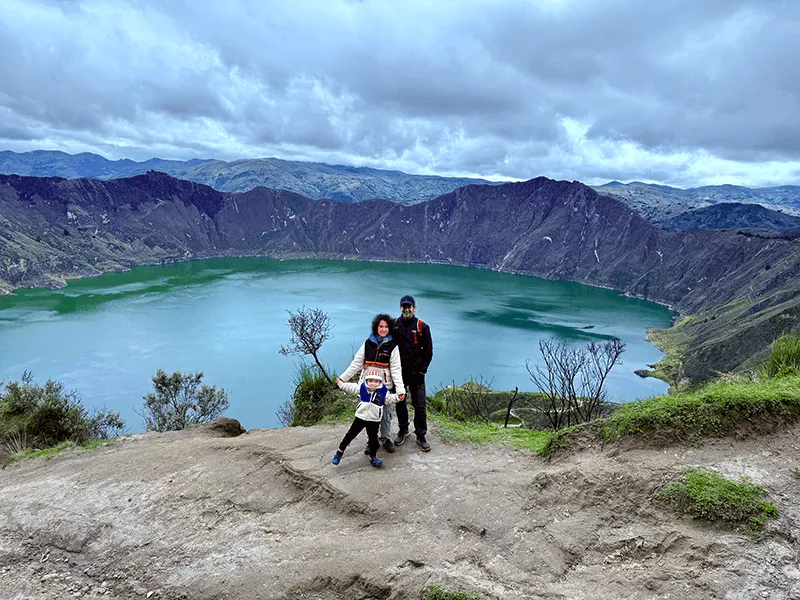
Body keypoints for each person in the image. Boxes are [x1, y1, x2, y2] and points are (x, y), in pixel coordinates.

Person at [337, 313, 406, 453]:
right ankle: (372, 441)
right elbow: (356, 363)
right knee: (369, 415)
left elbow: (396, 369)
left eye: (386, 327)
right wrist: (343, 378)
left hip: (384, 386)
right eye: (381, 326)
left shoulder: (393, 346)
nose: (383, 329)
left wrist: (400, 389)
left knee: (385, 414)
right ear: (376, 327)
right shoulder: (368, 343)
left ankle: (385, 438)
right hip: (367, 385)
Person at [332, 367, 401, 468]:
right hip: (360, 417)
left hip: (374, 419)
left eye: (376, 381)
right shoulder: (362, 387)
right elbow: (350, 387)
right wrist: (340, 383)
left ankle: (373, 457)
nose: (373, 383)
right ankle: (340, 451)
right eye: (370, 381)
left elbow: (389, 399)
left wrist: (398, 397)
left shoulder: (383, 391)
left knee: (373, 439)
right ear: (366, 380)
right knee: (350, 435)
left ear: (380, 381)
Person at [393, 295, 433, 452]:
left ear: (414, 308)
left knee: (420, 405)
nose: (407, 309)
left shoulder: (422, 326)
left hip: (417, 373)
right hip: (399, 373)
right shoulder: (395, 325)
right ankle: (403, 429)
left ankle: (421, 435)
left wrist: (423, 369)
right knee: (400, 402)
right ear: (400, 308)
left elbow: (428, 351)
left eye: (409, 306)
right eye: (404, 306)